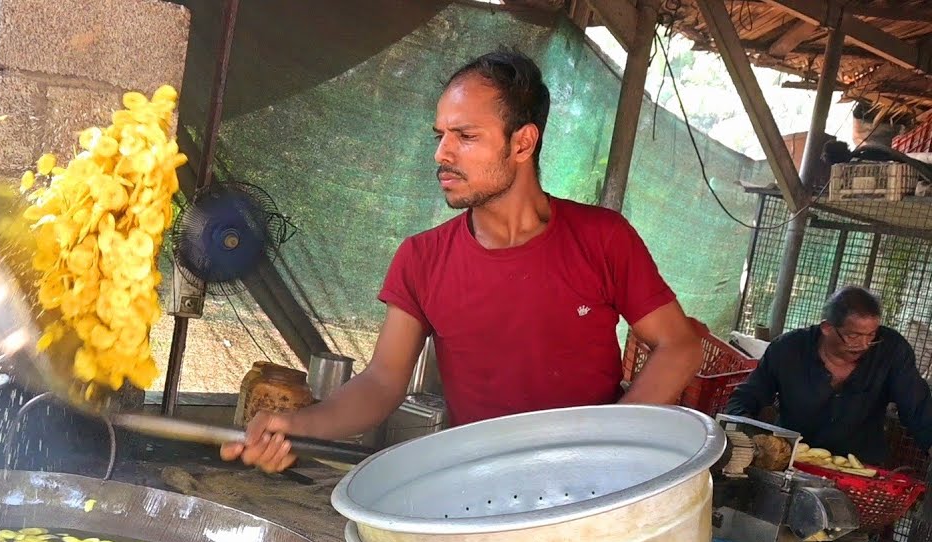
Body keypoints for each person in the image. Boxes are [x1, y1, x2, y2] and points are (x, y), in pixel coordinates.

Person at [220, 48, 702, 473]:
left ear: (522, 143)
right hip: (475, 486)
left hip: (591, 492)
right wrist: (299, 425)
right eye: (440, 135)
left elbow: (679, 347)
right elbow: (383, 382)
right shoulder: (421, 259)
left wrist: (605, 449)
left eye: (465, 136)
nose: (442, 154)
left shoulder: (602, 239)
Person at [725, 286, 932, 465]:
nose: (864, 345)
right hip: (791, 460)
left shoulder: (891, 350)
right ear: (827, 328)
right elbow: (746, 397)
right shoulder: (788, 349)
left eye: (871, 335)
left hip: (859, 466)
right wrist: (745, 433)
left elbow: (917, 407)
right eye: (853, 336)